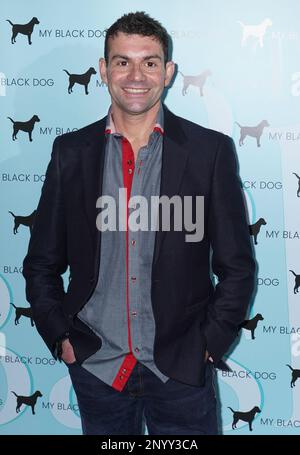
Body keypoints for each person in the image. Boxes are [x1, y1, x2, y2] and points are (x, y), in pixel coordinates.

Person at [22, 11, 256, 435]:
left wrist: (208, 344)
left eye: (149, 62)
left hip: (181, 369)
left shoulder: (210, 153)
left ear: (168, 72)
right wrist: (62, 338)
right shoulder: (70, 153)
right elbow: (41, 262)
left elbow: (237, 266)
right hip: (96, 367)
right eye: (122, 61)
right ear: (103, 70)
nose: (136, 75)